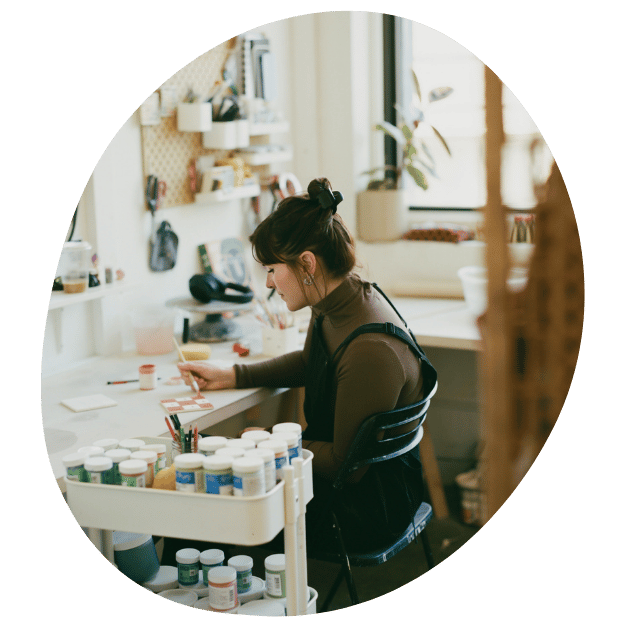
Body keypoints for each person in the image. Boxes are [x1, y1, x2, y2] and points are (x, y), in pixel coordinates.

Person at [178, 177, 437, 552]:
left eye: (271, 269)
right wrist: (234, 374)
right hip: (345, 482)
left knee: (205, 503)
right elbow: (310, 362)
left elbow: (343, 464)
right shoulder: (339, 300)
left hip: (366, 507)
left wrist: (255, 446)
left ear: (307, 264)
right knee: (211, 491)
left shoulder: (369, 351)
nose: (268, 282)